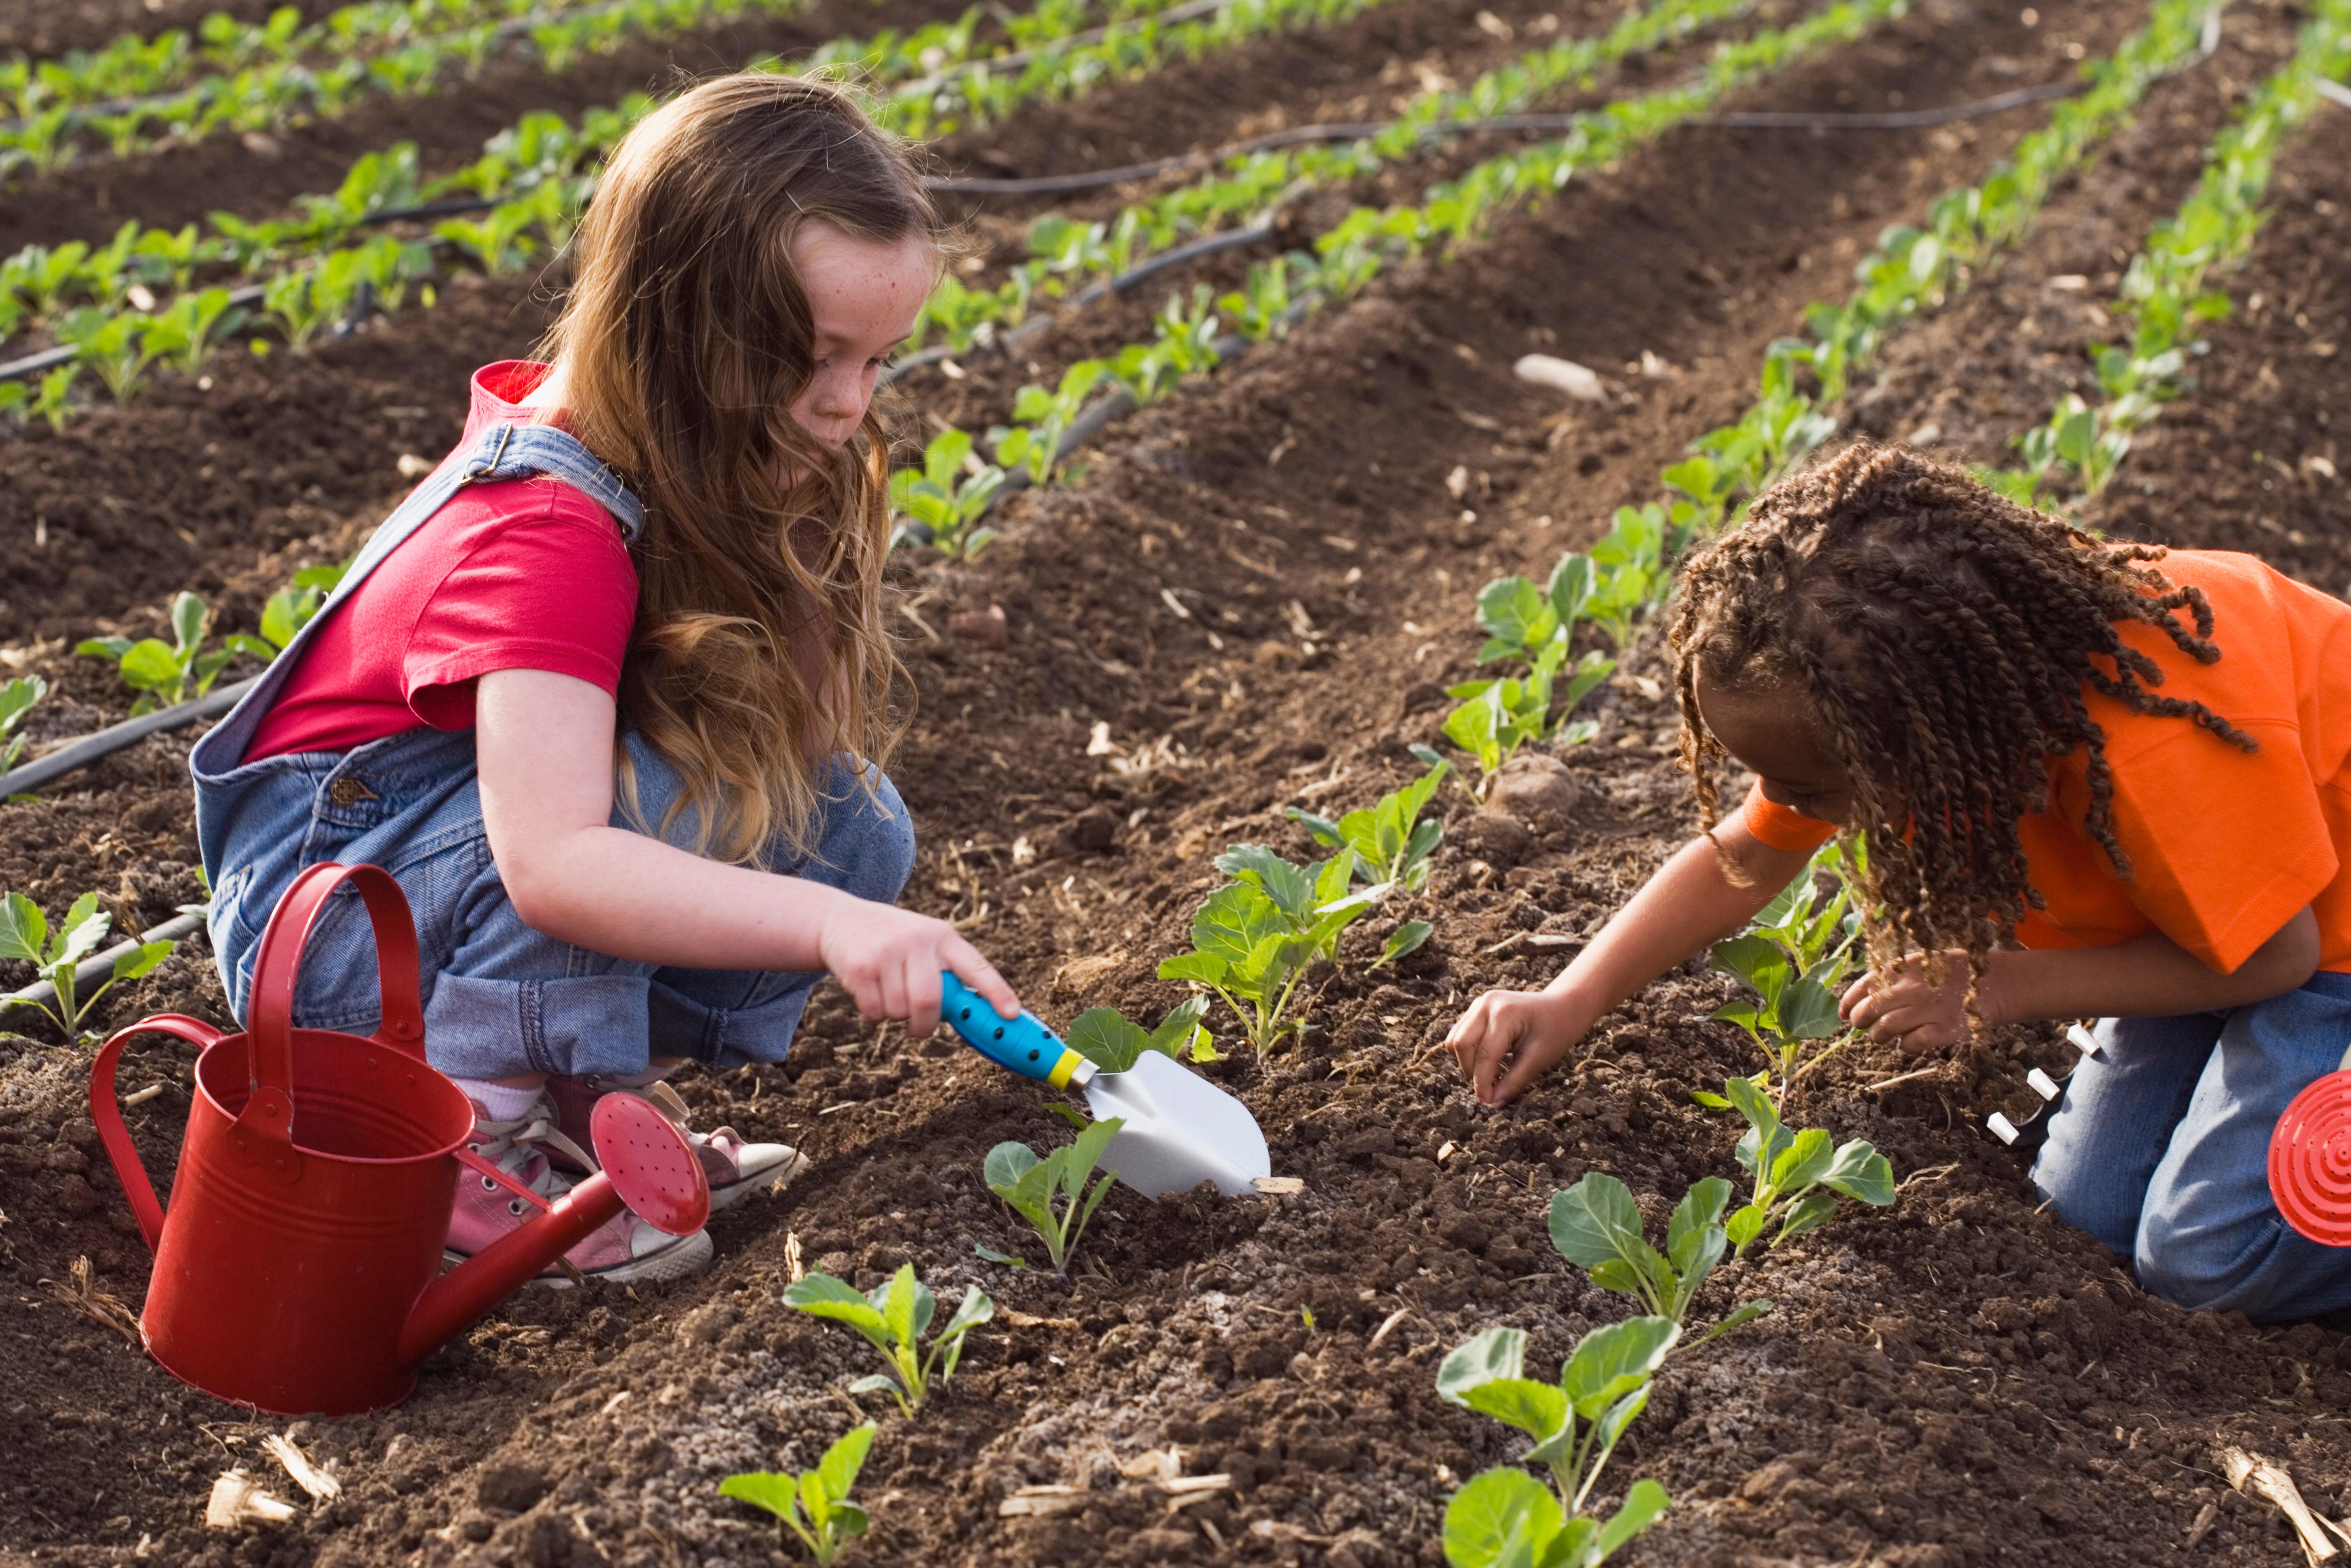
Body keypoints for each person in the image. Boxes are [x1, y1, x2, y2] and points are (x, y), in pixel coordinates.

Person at [189, 73, 1019, 1285]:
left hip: (430, 886)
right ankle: (466, 1145)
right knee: (637, 827)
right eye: (811, 358)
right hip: (333, 937)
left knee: (842, 820)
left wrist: (799, 551)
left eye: (877, 364)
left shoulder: (690, 452)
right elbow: (556, 863)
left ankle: (580, 1097)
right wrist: (839, 931)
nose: (847, 405)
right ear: (676, 323)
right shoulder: (551, 530)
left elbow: (805, 734)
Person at [1445, 440, 2351, 1322]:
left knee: (2200, 1259)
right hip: (2214, 929)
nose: (1786, 805)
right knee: (2084, 1215)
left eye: (1805, 789)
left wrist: (1999, 985)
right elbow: (1744, 861)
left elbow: (2278, 957)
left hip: (2318, 946)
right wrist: (1570, 997)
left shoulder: (2153, 744)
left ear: (1921, 742)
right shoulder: (1899, 703)